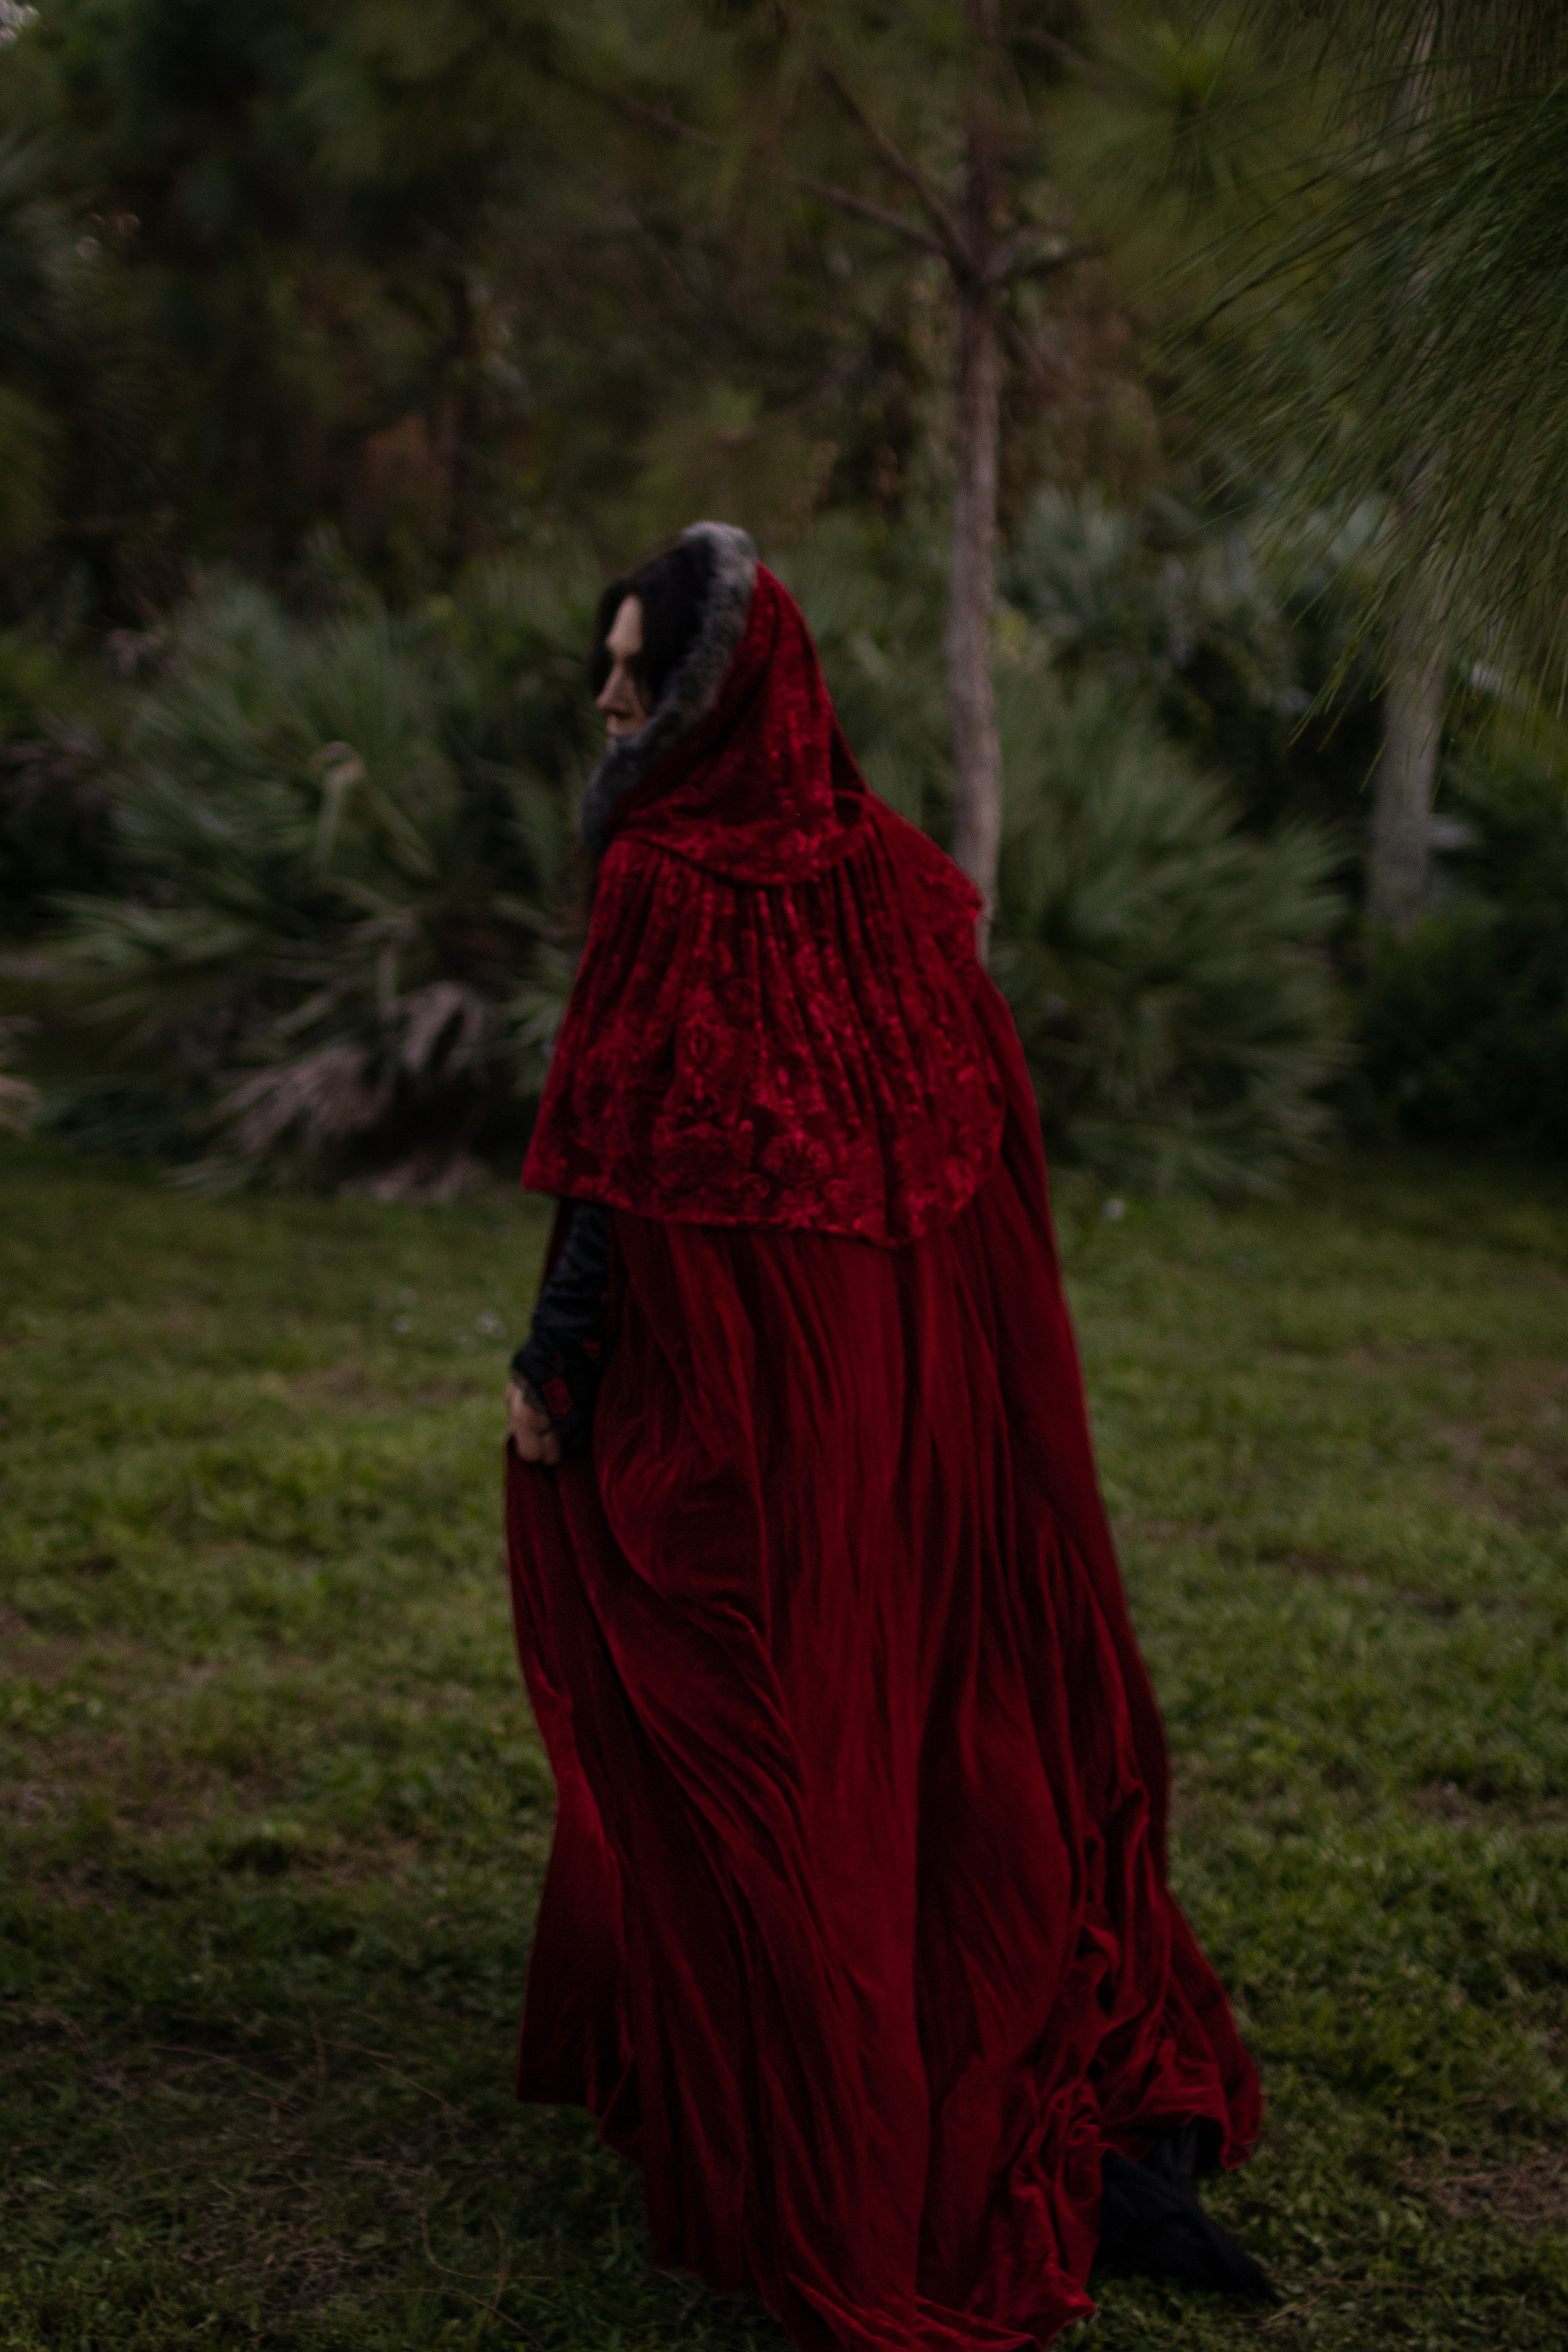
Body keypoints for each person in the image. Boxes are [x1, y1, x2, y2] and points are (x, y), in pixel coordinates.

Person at [503, 521, 1270, 2352]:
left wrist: (553, 1362)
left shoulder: (669, 879)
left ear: (718, 695)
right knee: (906, 1724)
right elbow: (976, 1147)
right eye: (608, 668)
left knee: (757, 1723)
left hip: (759, 1407)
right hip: (913, 1408)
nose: (612, 702)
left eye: (640, 674)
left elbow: (614, 1162)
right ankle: (896, 2055)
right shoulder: (897, 882)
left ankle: (838, 2139)